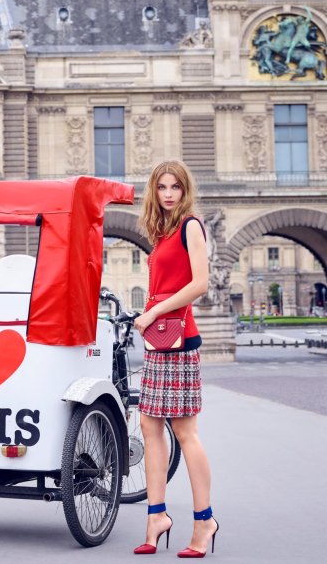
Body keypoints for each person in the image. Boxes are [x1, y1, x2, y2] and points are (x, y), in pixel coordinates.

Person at [133, 160, 219, 558]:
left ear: (186, 192)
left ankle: (205, 522)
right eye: (163, 187)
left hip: (177, 340)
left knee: (185, 434)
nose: (169, 194)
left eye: (176, 188)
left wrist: (152, 313)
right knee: (150, 427)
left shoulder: (190, 227)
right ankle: (156, 516)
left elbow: (199, 284)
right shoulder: (161, 231)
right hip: (157, 342)